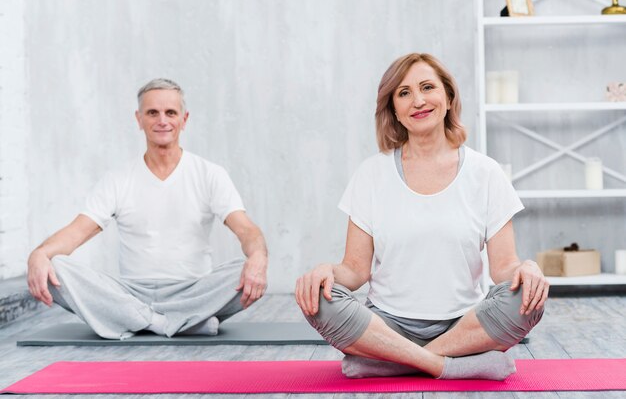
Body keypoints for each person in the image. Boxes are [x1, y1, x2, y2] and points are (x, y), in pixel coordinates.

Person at [295, 53, 548, 380]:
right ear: (394, 111)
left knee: (529, 296)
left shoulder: (486, 173)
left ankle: (390, 362)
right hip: (387, 325)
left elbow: (505, 270)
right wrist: (324, 271)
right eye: (404, 93)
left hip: (465, 325)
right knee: (318, 297)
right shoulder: (371, 173)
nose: (418, 100)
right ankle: (454, 365)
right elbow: (354, 271)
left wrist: (527, 268)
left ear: (447, 97)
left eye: (427, 87)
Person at [27, 78, 269, 340]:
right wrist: (39, 253)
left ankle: (137, 320)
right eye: (152, 112)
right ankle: (176, 323)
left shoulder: (210, 174)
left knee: (248, 267)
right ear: (139, 119)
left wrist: (258, 257)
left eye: (170, 113)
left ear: (184, 119)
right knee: (57, 267)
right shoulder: (118, 178)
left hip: (193, 292)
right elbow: (77, 232)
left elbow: (245, 229)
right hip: (130, 293)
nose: (162, 120)